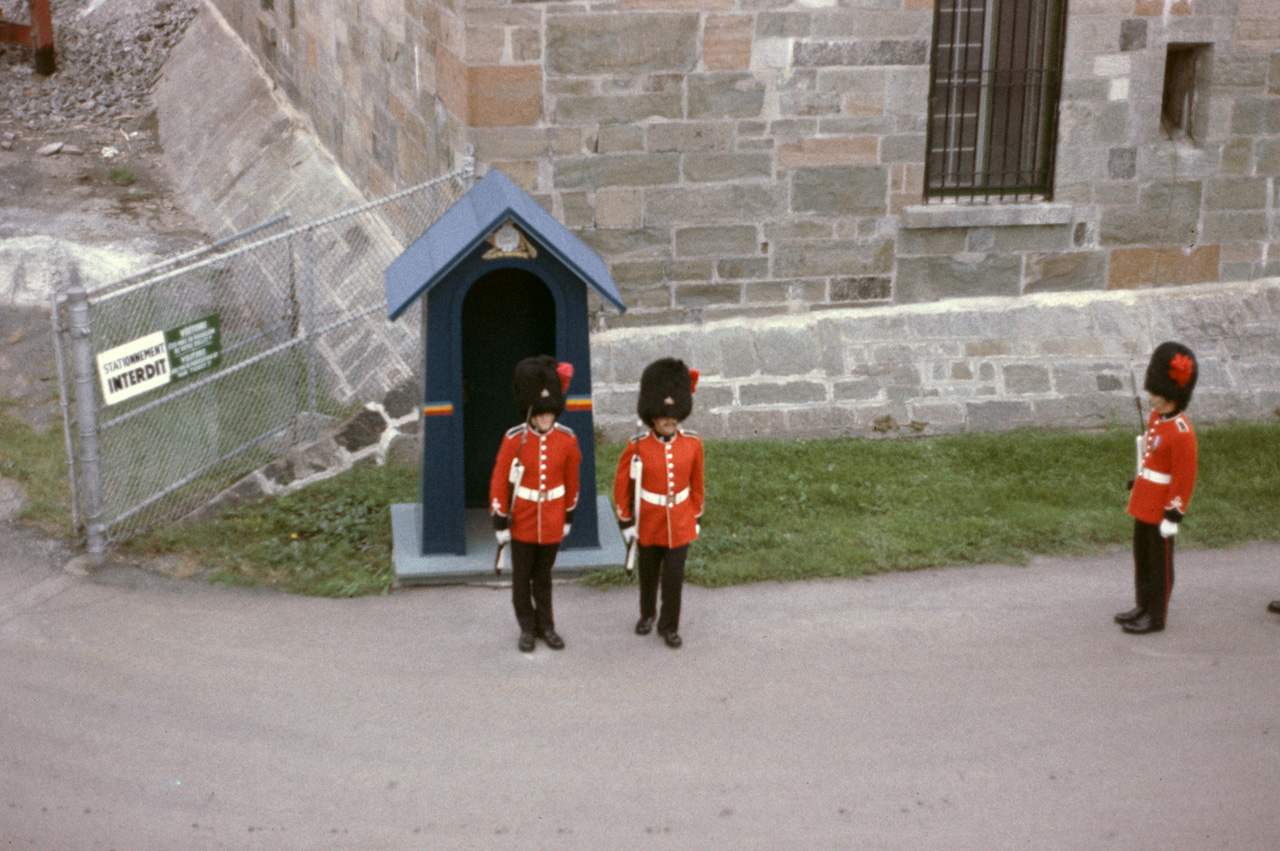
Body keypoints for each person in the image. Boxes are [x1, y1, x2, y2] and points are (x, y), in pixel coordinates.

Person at [490, 356, 582, 653]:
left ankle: (547, 626)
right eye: (540, 413)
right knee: (521, 580)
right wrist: (500, 521)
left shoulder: (567, 440)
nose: (545, 418)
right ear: (530, 411)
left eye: (550, 413)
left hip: (553, 518)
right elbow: (499, 481)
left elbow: (572, 481)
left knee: (543, 578)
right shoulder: (513, 439)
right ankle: (526, 628)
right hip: (523, 520)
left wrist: (568, 516)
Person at [613, 358, 704, 649]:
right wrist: (626, 521)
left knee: (674, 577)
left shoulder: (692, 444)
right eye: (663, 416)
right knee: (649, 573)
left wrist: (696, 516)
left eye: (673, 415)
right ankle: (647, 614)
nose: (669, 420)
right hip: (647, 520)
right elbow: (622, 487)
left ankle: (669, 626)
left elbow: (697, 485)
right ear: (652, 416)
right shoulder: (636, 445)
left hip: (680, 521)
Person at [1115, 342, 1198, 635]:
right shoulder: (1155, 418)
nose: (1151, 396)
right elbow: (1151, 459)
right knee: (1143, 558)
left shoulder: (1182, 432)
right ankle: (1143, 604)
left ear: (1171, 395)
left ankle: (1156, 615)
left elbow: (1183, 478)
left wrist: (1173, 515)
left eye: (1156, 392)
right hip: (1145, 500)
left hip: (1162, 508)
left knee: (1160, 564)